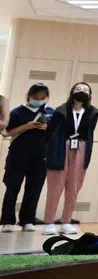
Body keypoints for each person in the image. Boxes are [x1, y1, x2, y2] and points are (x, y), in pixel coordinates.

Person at [42, 83, 98, 235]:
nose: (82, 92)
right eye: (78, 89)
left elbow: (89, 134)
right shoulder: (61, 110)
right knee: (55, 187)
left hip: (81, 148)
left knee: (74, 188)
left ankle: (66, 221)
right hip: (61, 147)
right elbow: (49, 133)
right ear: (72, 92)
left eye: (85, 90)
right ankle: (49, 222)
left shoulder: (93, 112)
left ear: (90, 95)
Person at [1, 84, 52, 233]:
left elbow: (57, 133)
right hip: (18, 155)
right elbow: (7, 133)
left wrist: (46, 127)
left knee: (34, 189)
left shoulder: (50, 112)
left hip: (40, 156)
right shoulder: (17, 112)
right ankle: (7, 220)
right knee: (12, 187)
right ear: (29, 96)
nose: (39, 100)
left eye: (42, 97)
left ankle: (28, 220)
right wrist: (27, 126)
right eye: (36, 97)